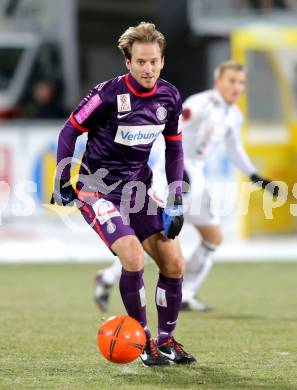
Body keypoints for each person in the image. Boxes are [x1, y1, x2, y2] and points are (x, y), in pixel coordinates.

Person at [51, 22, 196, 366]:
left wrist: (175, 198)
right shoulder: (106, 95)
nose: (148, 68)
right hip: (97, 189)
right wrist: (62, 178)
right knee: (132, 257)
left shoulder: (169, 97)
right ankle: (143, 342)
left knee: (175, 264)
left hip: (139, 189)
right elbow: (69, 131)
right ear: (128, 63)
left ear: (162, 61)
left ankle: (167, 341)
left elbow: (174, 149)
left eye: (154, 61)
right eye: (141, 61)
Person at [94, 60, 280, 313]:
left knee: (213, 237)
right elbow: (168, 136)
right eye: (232, 81)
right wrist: (176, 174)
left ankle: (186, 294)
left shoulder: (234, 115)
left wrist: (256, 177)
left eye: (241, 82)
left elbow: (235, 149)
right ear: (219, 82)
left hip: (196, 180)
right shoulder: (199, 105)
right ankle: (108, 277)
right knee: (158, 238)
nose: (236, 87)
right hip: (171, 179)